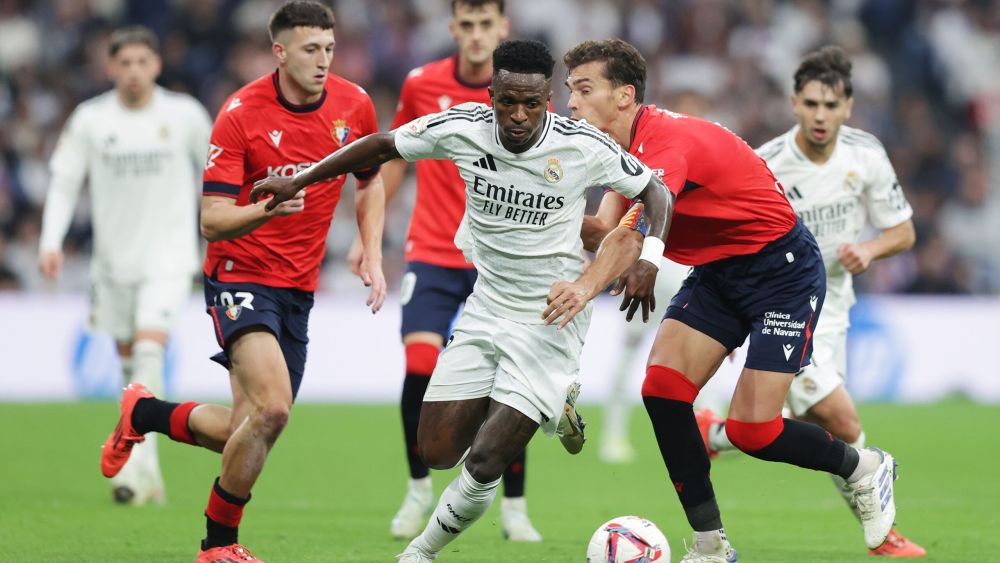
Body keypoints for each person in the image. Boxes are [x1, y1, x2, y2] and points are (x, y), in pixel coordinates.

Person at [251, 39, 672, 563]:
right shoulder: (461, 128)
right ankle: (546, 408)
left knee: (487, 457)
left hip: (551, 318)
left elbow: (658, 194)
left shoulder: (582, 144)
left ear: (548, 99)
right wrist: (302, 176)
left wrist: (650, 257)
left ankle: (420, 552)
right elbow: (380, 146)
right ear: (490, 93)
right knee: (437, 450)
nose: (518, 116)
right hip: (485, 309)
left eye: (533, 104)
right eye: (507, 102)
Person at [565, 38, 900, 562]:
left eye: (584, 90)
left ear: (624, 95)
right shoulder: (616, 152)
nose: (572, 102)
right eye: (570, 90)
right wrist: (537, 215)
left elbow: (638, 228)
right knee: (662, 389)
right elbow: (605, 230)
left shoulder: (665, 142)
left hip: (781, 273)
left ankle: (865, 468)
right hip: (721, 272)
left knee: (752, 430)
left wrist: (594, 285)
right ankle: (710, 546)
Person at [98, 3, 387, 561]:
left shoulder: (355, 105)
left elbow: (370, 179)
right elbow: (212, 218)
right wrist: (267, 212)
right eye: (310, 49)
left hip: (299, 288)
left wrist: (368, 246)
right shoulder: (240, 114)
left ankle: (144, 413)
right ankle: (218, 546)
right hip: (240, 274)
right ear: (279, 52)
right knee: (273, 410)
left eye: (329, 48)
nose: (323, 60)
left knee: (246, 426)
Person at [698, 45, 925, 558]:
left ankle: (716, 435)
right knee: (843, 422)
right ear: (794, 103)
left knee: (805, 424)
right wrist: (732, 318)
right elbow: (734, 238)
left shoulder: (865, 155)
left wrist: (869, 247)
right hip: (785, 302)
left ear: (847, 107)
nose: (821, 116)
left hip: (837, 307)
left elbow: (904, 230)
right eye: (811, 104)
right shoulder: (768, 162)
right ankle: (882, 532)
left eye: (832, 105)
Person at [344, 0, 540, 542]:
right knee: (419, 365)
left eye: (487, 25)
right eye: (468, 25)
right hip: (432, 249)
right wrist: (370, 238)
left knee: (511, 383)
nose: (477, 35)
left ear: (503, 29)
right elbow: (398, 158)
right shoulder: (421, 85)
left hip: (500, 261)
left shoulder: (521, 95)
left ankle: (515, 507)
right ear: (453, 28)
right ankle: (417, 492)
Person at [39, 25, 212, 506]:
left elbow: (217, 176)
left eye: (143, 62)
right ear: (110, 68)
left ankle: (134, 472)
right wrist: (50, 240)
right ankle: (150, 472)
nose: (134, 71)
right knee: (130, 371)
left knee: (149, 352)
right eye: (125, 63)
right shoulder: (90, 120)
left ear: (156, 65)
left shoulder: (184, 115)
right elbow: (64, 181)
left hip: (170, 258)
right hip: (112, 264)